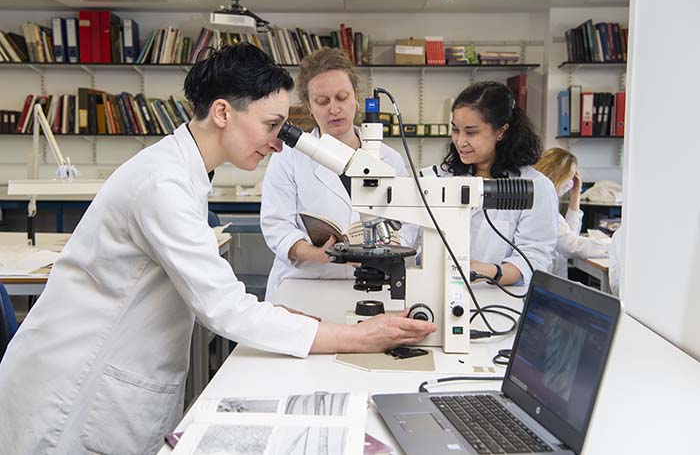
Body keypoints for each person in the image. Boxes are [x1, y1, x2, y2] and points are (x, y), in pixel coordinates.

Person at [0, 44, 435, 455]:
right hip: (74, 388)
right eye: (271, 125)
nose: (280, 142)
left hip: (113, 379)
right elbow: (223, 308)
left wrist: (292, 320)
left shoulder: (185, 171)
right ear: (223, 112)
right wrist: (359, 336)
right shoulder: (162, 183)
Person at [261, 47, 419, 301]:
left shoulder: (388, 159)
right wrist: (316, 253)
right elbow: (276, 225)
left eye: (342, 97)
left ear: (357, 98)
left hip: (375, 283)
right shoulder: (288, 158)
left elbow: (409, 222)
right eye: (322, 102)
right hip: (306, 284)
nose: (334, 108)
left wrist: (389, 246)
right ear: (310, 108)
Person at [440, 81, 558, 285]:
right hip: (443, 290)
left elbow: (533, 258)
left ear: (501, 131)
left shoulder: (536, 187)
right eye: (455, 130)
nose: (460, 141)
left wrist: (489, 272)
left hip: (500, 299)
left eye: (471, 132)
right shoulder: (443, 178)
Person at [533, 148, 610, 278]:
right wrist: (614, 247)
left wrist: (575, 196)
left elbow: (568, 235)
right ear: (558, 174)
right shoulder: (540, 203)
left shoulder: (546, 199)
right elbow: (571, 246)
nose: (571, 182)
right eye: (570, 176)